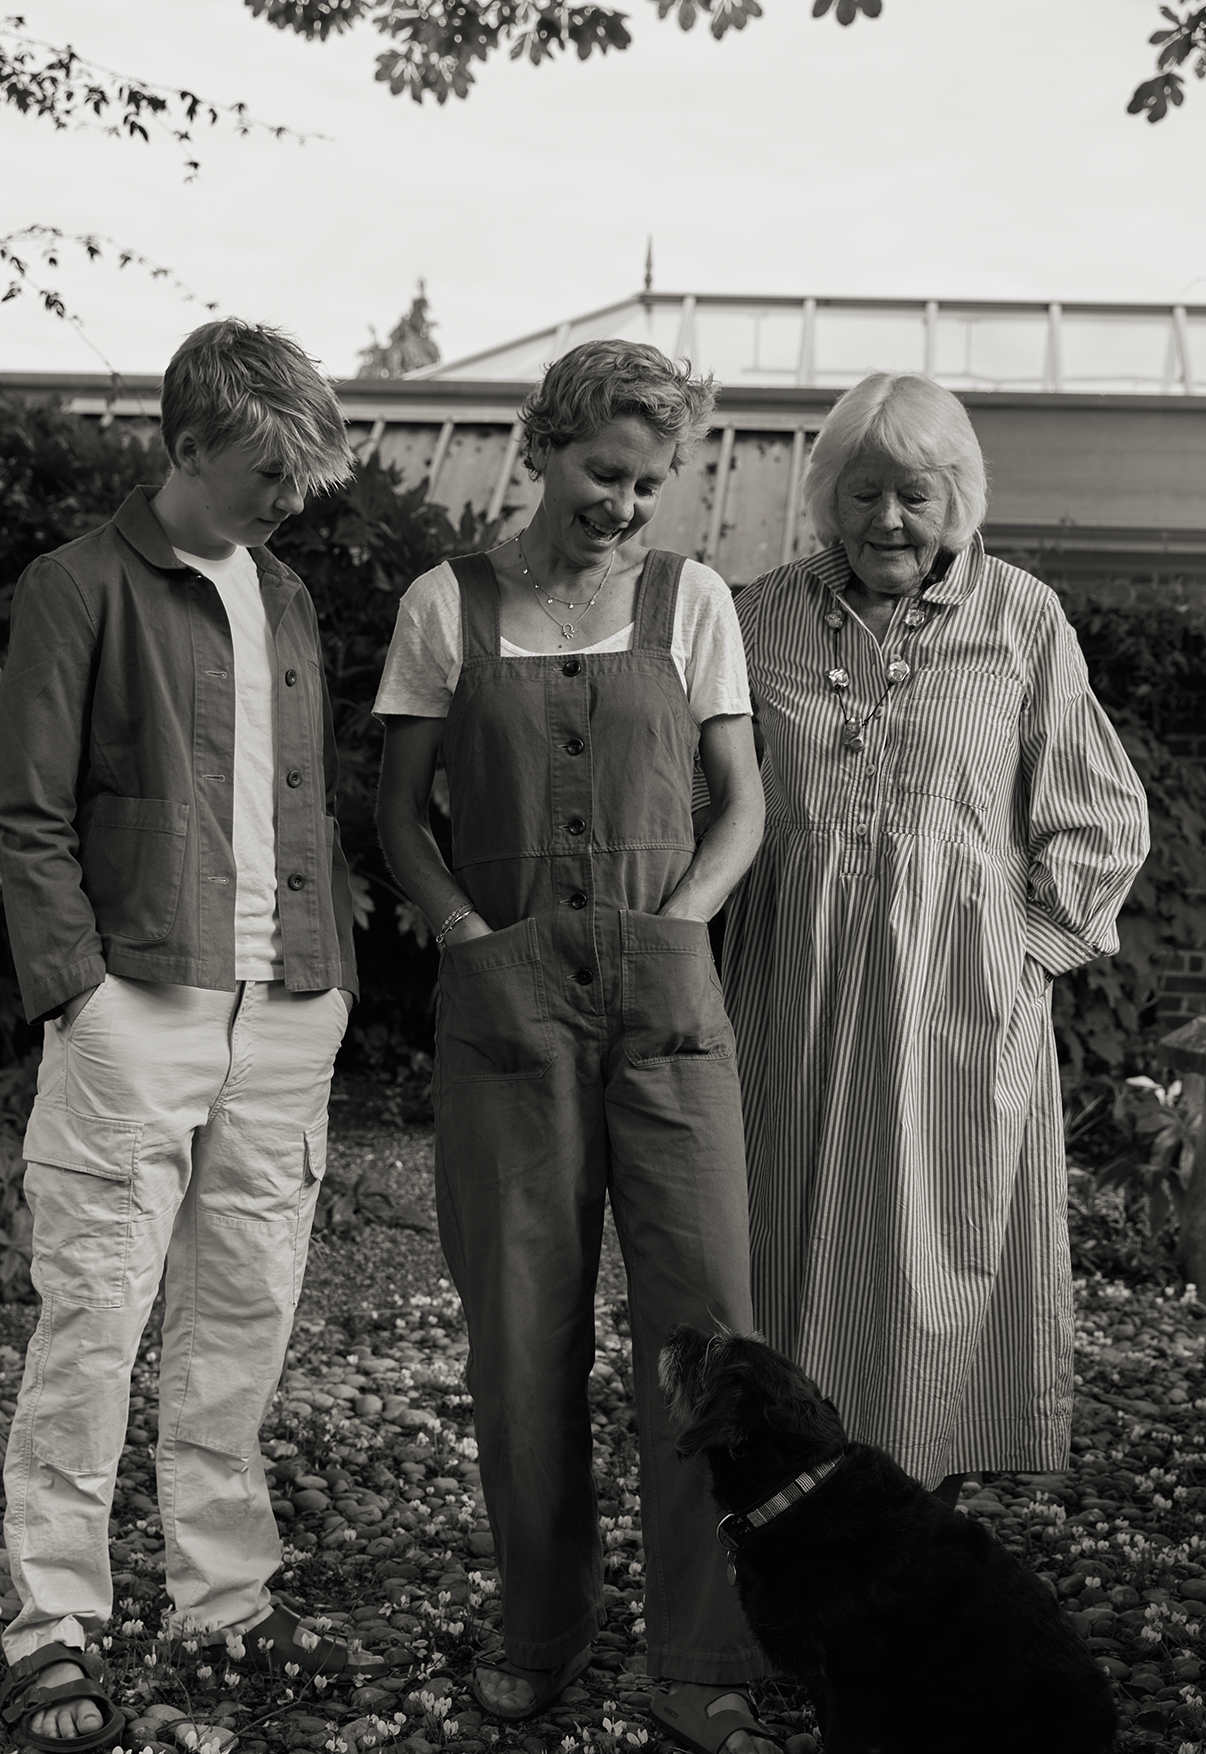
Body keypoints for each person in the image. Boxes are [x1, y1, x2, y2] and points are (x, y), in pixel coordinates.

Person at [372, 340, 775, 1754]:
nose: (627, 506)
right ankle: (539, 1629)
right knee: (520, 1334)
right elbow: (398, 813)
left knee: (704, 1331)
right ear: (545, 447)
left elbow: (742, 804)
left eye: (653, 484)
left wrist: (682, 920)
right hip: (504, 1009)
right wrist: (464, 928)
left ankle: (701, 1654)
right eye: (607, 473)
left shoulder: (696, 601)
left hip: (671, 1008)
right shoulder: (445, 603)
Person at [0, 318, 373, 1753]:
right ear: (186, 444)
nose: (286, 500)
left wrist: (328, 982)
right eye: (264, 469)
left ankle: (221, 1595)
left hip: (287, 1010)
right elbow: (23, 815)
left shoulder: (281, 592)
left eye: (303, 475)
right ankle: (45, 1625)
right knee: (95, 1314)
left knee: (244, 1316)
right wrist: (78, 995)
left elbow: (297, 801)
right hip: (135, 1006)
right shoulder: (75, 585)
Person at [719, 371, 1149, 1507]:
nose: (885, 522)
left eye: (912, 494)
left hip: (954, 993)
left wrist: (1027, 949)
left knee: (933, 1242)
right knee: (781, 1222)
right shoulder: (752, 615)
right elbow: (697, 797)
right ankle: (779, 1500)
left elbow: (1100, 810)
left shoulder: (1020, 617)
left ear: (954, 496)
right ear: (827, 495)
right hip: (788, 979)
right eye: (862, 494)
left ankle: (914, 1513)